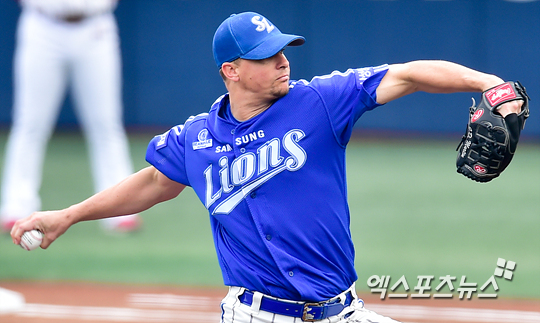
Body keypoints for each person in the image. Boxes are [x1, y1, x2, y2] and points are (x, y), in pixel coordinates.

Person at [11, 11, 523, 323]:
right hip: (255, 313)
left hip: (339, 309)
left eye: (283, 50)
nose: (282, 61)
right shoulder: (195, 138)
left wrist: (489, 83)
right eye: (265, 55)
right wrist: (70, 214)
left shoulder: (319, 101)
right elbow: (154, 182)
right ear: (230, 71)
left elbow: (409, 74)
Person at [0, 0, 141, 233]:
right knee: (30, 124)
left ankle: (121, 211)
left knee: (106, 125)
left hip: (95, 25)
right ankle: (16, 208)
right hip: (42, 23)